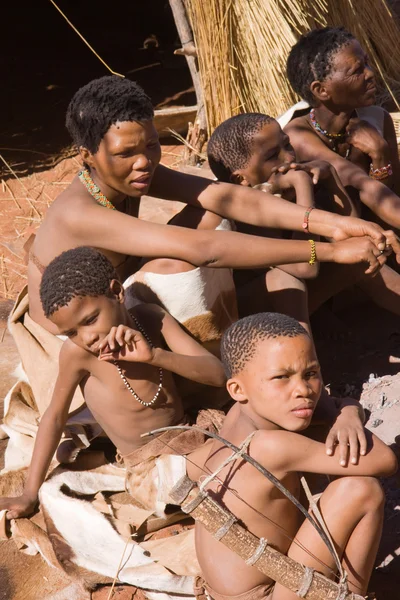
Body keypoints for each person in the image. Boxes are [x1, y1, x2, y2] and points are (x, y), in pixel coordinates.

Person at [0, 247, 227, 519]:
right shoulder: (78, 354)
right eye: (71, 332)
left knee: (254, 422)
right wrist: (29, 493)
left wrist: (156, 356)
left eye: (90, 320)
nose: (87, 337)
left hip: (193, 431)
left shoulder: (152, 319)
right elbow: (54, 416)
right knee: (231, 463)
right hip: (151, 468)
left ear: (117, 292)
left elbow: (218, 375)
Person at [188, 313, 397, 600]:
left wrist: (347, 413)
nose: (303, 390)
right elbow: (385, 459)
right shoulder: (269, 446)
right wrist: (347, 412)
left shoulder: (241, 411)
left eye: (311, 373)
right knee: (362, 490)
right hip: (267, 595)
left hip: (252, 582)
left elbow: (328, 403)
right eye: (281, 378)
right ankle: (351, 596)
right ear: (237, 389)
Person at [207, 112, 400, 324]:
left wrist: (330, 177)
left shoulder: (282, 188)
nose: (289, 158)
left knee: (360, 254)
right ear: (240, 179)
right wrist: (302, 184)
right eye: (272, 156)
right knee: (345, 264)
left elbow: (349, 229)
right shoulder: (243, 215)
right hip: (252, 319)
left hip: (299, 295)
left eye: (287, 145)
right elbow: (305, 267)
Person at [283, 27, 400, 232]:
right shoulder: (297, 136)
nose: (370, 74)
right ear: (321, 90)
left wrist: (380, 153)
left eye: (367, 63)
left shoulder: (377, 118)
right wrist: (380, 153)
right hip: (327, 243)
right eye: (357, 71)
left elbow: (393, 194)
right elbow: (361, 197)